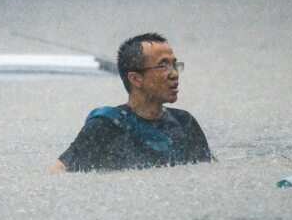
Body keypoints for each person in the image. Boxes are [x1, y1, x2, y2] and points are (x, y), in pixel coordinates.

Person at [52, 33, 213, 172]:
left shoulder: (185, 123)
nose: (174, 74)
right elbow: (59, 172)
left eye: (174, 64)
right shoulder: (106, 125)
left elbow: (207, 172)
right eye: (163, 65)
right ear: (136, 79)